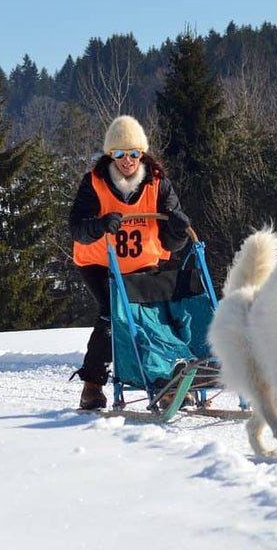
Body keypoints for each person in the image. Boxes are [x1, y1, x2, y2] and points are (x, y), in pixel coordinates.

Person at [69, 115, 191, 409]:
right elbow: (77, 227)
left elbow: (173, 241)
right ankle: (92, 385)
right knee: (112, 314)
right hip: (100, 263)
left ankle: (164, 381)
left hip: (143, 263)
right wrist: (100, 225)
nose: (128, 160)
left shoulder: (158, 184)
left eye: (134, 153)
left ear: (142, 154)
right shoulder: (95, 183)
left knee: (152, 317)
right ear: (111, 155)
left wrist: (178, 231)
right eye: (120, 154)